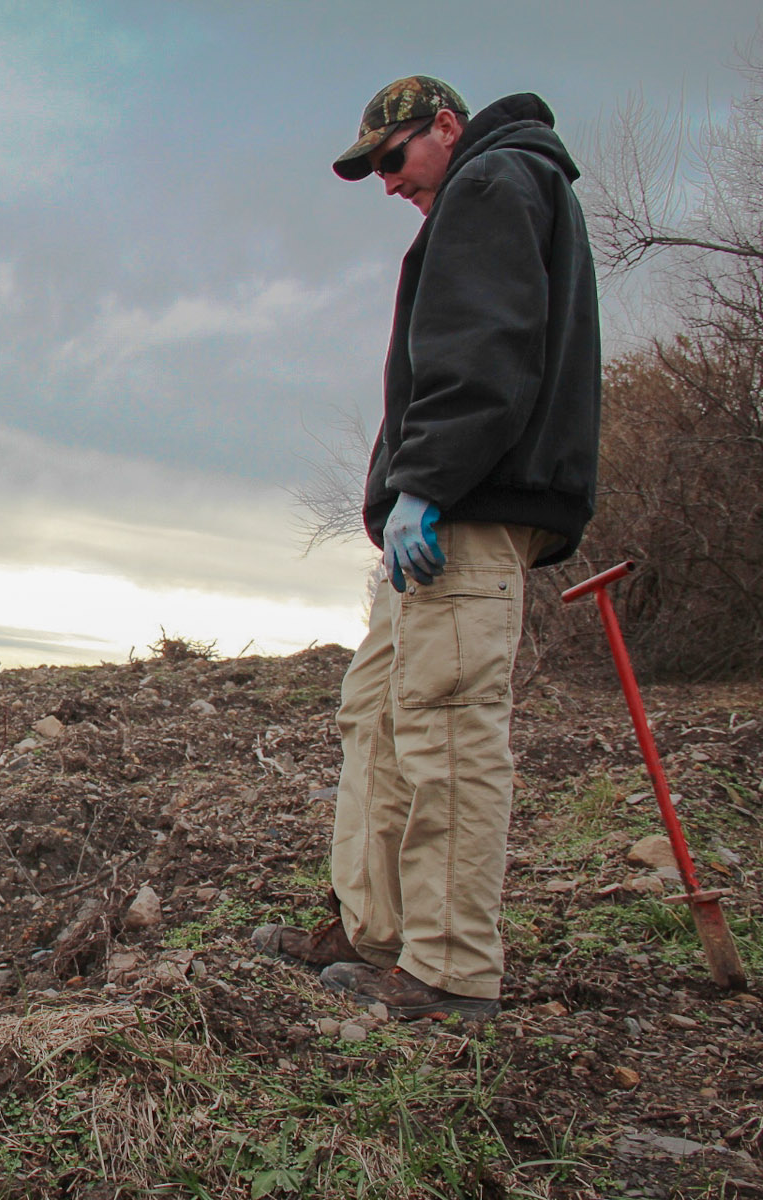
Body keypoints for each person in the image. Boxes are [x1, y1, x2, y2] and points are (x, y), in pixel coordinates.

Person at [251, 77, 600, 1020]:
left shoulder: (493, 184)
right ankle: (371, 932)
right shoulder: (496, 189)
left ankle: (446, 971)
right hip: (447, 509)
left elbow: (484, 355)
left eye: (396, 159)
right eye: (374, 171)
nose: (389, 183)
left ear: (446, 127)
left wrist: (426, 485)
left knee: (446, 724)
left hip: (465, 509)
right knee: (376, 712)